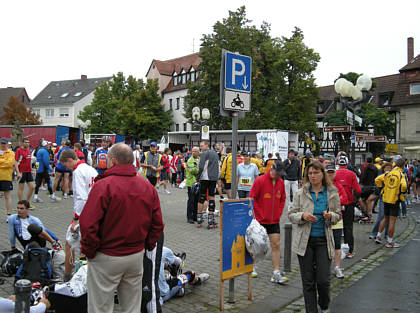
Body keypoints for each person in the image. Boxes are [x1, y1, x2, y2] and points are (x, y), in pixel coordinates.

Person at [80, 143, 164, 313]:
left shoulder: (103, 185)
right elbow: (157, 223)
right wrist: (147, 245)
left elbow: (88, 224)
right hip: (135, 255)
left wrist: (90, 251)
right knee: (132, 305)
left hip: (107, 254)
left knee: (100, 306)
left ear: (112, 161)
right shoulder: (146, 186)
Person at [288, 161, 341, 313]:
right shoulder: (300, 193)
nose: (312, 176)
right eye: (310, 173)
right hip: (305, 242)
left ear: (322, 174)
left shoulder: (331, 192)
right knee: (308, 281)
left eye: (316, 173)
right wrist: (303, 215)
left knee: (323, 280)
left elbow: (338, 215)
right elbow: (291, 214)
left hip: (324, 241)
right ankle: (311, 310)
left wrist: (330, 216)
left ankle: (324, 305)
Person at [59, 148, 98, 282]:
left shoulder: (78, 171)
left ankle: (68, 277)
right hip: (96, 211)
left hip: (85, 214)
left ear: (69, 160)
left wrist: (76, 218)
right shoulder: (90, 169)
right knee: (87, 246)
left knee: (70, 242)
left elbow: (81, 197)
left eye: (65, 165)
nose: (67, 168)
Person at [249, 161, 288, 284]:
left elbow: (283, 198)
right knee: (258, 245)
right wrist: (257, 214)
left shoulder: (281, 183)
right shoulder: (260, 180)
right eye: (275, 172)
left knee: (276, 245)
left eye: (279, 174)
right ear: (271, 169)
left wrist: (279, 212)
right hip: (260, 220)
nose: (276, 175)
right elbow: (252, 198)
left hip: (274, 220)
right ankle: (252, 266)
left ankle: (276, 272)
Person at [375, 158, 408, 248]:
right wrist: (401, 192)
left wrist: (382, 188)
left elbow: (377, 179)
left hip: (386, 198)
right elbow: (404, 186)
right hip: (394, 199)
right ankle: (389, 242)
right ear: (403, 166)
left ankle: (378, 236)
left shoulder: (388, 173)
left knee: (385, 218)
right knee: (392, 220)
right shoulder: (401, 174)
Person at [334, 155, 361, 258]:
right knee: (348, 227)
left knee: (334, 227)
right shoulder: (352, 174)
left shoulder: (334, 173)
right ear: (347, 163)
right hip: (348, 203)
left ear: (338, 164)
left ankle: (335, 250)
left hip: (335, 203)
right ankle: (349, 250)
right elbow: (358, 190)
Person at [325, 164, 348, 279]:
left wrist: (335, 202)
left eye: (332, 172)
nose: (330, 175)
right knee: (324, 245)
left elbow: (345, 199)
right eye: (328, 172)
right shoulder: (321, 186)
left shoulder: (338, 186)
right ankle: (324, 268)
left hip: (337, 220)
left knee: (337, 245)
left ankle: (337, 267)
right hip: (324, 220)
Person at [197, 140, 219, 229]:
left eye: (202, 146)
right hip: (213, 178)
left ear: (207, 146)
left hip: (205, 178)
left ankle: (199, 219)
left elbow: (201, 166)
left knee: (201, 198)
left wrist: (197, 177)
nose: (201, 148)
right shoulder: (215, 154)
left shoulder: (204, 154)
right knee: (212, 198)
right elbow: (218, 166)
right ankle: (210, 220)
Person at [370, 162, 393, 240]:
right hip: (383, 198)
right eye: (387, 168)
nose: (388, 169)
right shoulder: (381, 177)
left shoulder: (393, 177)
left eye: (390, 168)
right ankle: (374, 233)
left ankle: (387, 234)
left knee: (389, 217)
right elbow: (377, 186)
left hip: (391, 199)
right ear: (383, 169)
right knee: (381, 216)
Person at [15, 138, 35, 203]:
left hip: (28, 171)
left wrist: (31, 170)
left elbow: (29, 161)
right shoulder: (19, 150)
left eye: (28, 142)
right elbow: (16, 162)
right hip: (22, 171)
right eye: (26, 142)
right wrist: (18, 172)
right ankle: (20, 203)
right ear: (22, 143)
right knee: (21, 188)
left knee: (32, 187)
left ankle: (27, 202)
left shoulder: (28, 150)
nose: (27, 143)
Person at [359, 157, 379, 222]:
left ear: (366, 161)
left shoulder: (366, 168)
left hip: (366, 186)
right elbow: (376, 176)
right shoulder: (375, 168)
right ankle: (370, 214)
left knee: (363, 200)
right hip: (373, 185)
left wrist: (361, 182)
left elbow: (363, 177)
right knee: (370, 201)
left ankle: (365, 214)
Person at [0, 138, 15, 218]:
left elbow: (10, 163)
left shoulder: (11, 153)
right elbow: (6, 163)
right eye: (1, 143)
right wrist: (4, 162)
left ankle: (9, 215)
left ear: (7, 144)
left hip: (6, 177)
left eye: (4, 143)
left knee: (7, 196)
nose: (3, 145)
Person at [186, 147, 200, 224]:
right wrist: (199, 168)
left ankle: (195, 217)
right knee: (191, 201)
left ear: (198, 152)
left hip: (198, 183)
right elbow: (193, 170)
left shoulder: (200, 159)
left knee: (196, 201)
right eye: (192, 151)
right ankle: (189, 217)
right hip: (191, 184)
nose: (193, 153)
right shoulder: (190, 160)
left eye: (195, 151)